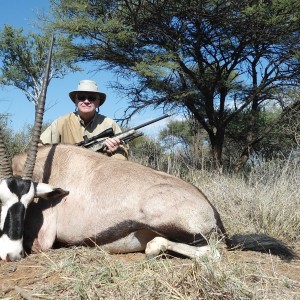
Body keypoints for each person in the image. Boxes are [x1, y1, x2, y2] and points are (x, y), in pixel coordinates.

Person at [40, 79, 128, 160]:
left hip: (101, 172)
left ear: (98, 102)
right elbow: (41, 147)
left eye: (92, 98)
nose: (86, 101)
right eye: (81, 97)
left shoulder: (109, 124)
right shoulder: (61, 122)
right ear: (76, 101)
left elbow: (124, 149)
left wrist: (115, 150)